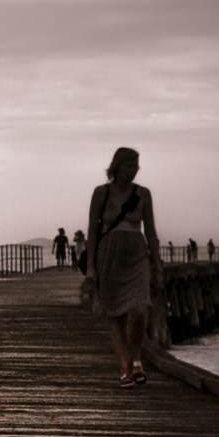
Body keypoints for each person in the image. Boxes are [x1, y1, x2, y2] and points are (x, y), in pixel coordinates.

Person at [85, 143, 161, 386]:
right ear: (116, 166)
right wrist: (91, 267)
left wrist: (157, 266)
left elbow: (151, 232)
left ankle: (136, 357)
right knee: (115, 314)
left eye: (136, 166)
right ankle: (124, 369)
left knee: (139, 309)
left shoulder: (143, 194)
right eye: (129, 165)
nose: (133, 170)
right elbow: (92, 232)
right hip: (108, 255)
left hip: (136, 255)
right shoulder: (100, 193)